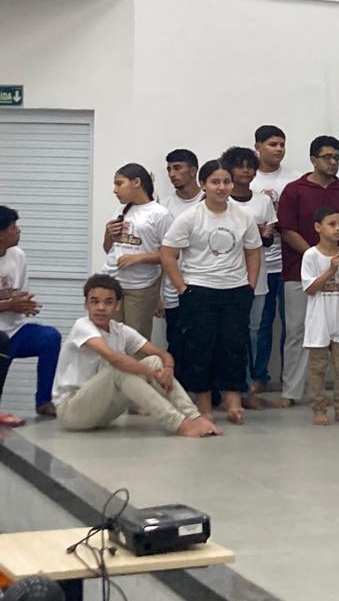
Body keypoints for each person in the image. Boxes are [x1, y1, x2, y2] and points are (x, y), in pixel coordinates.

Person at [52, 274, 220, 436]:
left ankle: (194, 416)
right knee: (118, 369)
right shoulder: (82, 326)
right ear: (86, 305)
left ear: (117, 305)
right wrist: (153, 374)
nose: (101, 308)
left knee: (154, 361)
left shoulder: (120, 330)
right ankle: (178, 423)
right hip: (72, 410)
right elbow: (114, 358)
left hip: (102, 412)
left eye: (108, 302)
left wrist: (168, 369)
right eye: (94, 302)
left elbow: (162, 355)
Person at [161, 160, 264, 424]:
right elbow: (168, 254)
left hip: (235, 291)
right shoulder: (190, 217)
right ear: (203, 184)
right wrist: (182, 288)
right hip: (199, 292)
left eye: (226, 182)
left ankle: (233, 403)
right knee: (200, 350)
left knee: (234, 347)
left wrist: (250, 285)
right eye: (215, 182)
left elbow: (253, 252)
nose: (221, 187)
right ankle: (204, 406)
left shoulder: (243, 216)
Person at [276, 136, 339, 409]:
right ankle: (291, 391)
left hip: (338, 275)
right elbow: (288, 230)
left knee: (335, 333)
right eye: (327, 157)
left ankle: (331, 396)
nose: (333, 162)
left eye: (337, 157)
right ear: (313, 159)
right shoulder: (294, 190)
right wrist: (318, 255)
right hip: (298, 271)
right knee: (297, 331)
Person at [223, 146, 278, 410]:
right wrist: (250, 231)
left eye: (250, 166)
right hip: (229, 278)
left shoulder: (263, 202)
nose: (246, 171)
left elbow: (267, 240)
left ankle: (250, 385)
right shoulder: (222, 201)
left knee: (255, 334)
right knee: (233, 335)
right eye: (240, 166)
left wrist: (260, 234)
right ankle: (235, 388)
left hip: (258, 277)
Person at [0, 207, 60, 419]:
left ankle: (43, 402)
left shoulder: (18, 255)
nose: (18, 231)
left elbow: (19, 294)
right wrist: (9, 305)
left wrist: (25, 305)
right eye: (13, 227)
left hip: (15, 330)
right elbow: (11, 302)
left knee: (50, 338)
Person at [301, 207, 339, 426]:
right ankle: (319, 409)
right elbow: (309, 289)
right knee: (317, 368)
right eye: (332, 224)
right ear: (318, 227)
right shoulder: (310, 255)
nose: (337, 229)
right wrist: (330, 271)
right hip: (319, 322)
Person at [101, 163, 171, 339]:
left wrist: (139, 258)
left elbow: (171, 255)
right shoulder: (120, 210)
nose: (115, 190)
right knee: (112, 338)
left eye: (119, 183)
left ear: (136, 182)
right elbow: (108, 249)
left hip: (140, 286)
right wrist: (108, 233)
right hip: (112, 283)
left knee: (135, 341)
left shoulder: (160, 214)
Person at [250, 125, 295, 395]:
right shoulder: (248, 180)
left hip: (287, 263)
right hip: (258, 266)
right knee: (260, 326)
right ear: (258, 146)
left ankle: (289, 380)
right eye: (272, 144)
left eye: (282, 144)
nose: (279, 149)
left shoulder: (293, 180)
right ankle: (258, 377)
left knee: (292, 326)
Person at [158, 150, 202, 371]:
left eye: (177, 168)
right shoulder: (163, 207)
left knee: (204, 344)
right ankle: (177, 387)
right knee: (176, 342)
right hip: (173, 288)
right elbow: (160, 251)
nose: (172, 174)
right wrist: (157, 295)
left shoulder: (208, 202)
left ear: (193, 170)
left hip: (204, 284)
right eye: (169, 169)